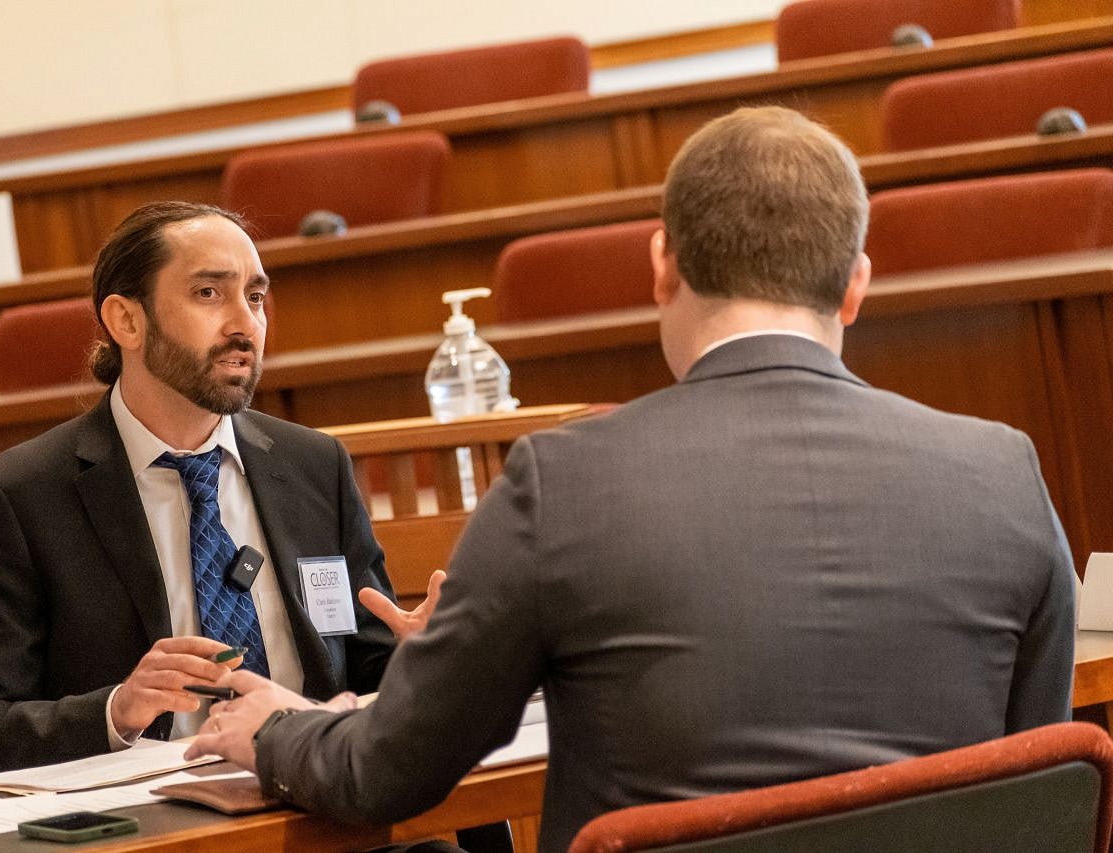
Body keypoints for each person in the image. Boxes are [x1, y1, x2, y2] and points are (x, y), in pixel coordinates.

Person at [187, 106, 1076, 852]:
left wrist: (275, 728)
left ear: (661, 265)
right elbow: (1037, 780)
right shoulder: (1004, 468)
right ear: (854, 288)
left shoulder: (562, 483)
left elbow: (391, 770)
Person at [0, 201, 442, 784]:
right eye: (208, 294)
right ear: (126, 321)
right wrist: (116, 710)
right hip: (155, 826)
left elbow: (367, 671)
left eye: (254, 297)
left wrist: (424, 659)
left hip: (321, 798)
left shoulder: (313, 466)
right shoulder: (18, 498)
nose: (244, 323)